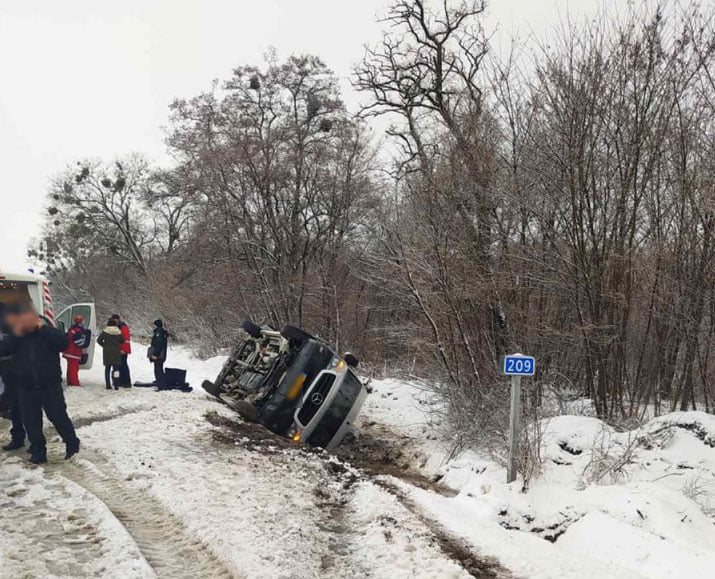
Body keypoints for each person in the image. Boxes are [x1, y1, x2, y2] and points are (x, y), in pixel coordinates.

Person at [0, 301, 80, 464]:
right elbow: (4, 348)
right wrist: (16, 333)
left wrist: (43, 328)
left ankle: (72, 444)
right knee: (31, 421)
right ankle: (38, 451)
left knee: (58, 416)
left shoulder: (47, 331)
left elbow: (64, 343)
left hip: (49, 385)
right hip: (26, 386)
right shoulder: (18, 335)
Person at [0, 304, 25, 451]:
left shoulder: (16, 330)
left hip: (14, 374)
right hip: (8, 374)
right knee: (16, 408)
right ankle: (19, 437)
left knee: (18, 408)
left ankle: (20, 438)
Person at [97, 319, 124, 390]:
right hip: (116, 352)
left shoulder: (105, 332)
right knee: (116, 369)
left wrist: (104, 345)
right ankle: (116, 385)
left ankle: (108, 385)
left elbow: (99, 340)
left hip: (107, 352)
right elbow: (122, 340)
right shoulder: (118, 332)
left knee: (107, 369)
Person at [62, 315, 87, 387]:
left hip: (70, 352)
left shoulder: (72, 329)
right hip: (74, 353)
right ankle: (75, 383)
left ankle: (70, 381)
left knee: (70, 368)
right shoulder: (78, 331)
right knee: (74, 368)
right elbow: (78, 342)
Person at [111, 314, 132, 387]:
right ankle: (121, 381)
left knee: (123, 366)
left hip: (122, 350)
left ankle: (126, 382)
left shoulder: (123, 327)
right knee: (120, 366)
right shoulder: (119, 326)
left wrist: (123, 350)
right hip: (119, 350)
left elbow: (125, 339)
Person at [148, 319, 169, 386]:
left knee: (158, 369)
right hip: (162, 354)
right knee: (159, 368)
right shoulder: (162, 332)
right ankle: (160, 382)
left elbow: (158, 345)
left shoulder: (159, 333)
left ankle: (161, 384)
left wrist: (155, 354)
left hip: (159, 355)